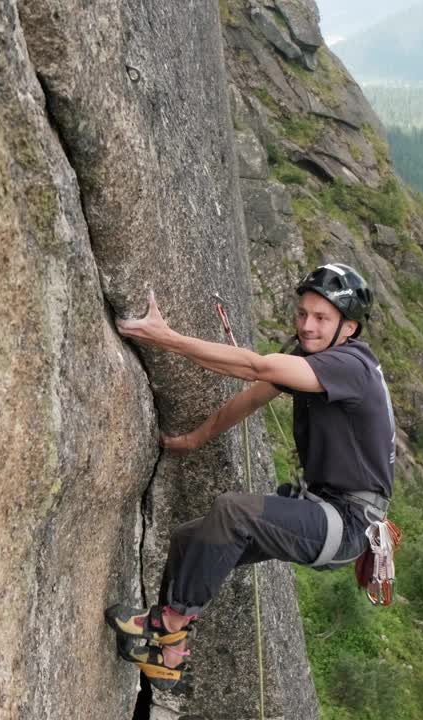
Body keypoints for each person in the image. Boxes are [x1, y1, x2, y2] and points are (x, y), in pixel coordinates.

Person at [104, 263, 396, 689]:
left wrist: (166, 338)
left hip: (349, 522)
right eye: (302, 314)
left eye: (321, 319)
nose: (307, 326)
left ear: (348, 328)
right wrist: (193, 439)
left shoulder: (351, 367)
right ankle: (169, 657)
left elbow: (256, 368)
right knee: (192, 538)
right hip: (324, 510)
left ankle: (168, 623)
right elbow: (252, 397)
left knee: (233, 511)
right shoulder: (312, 358)